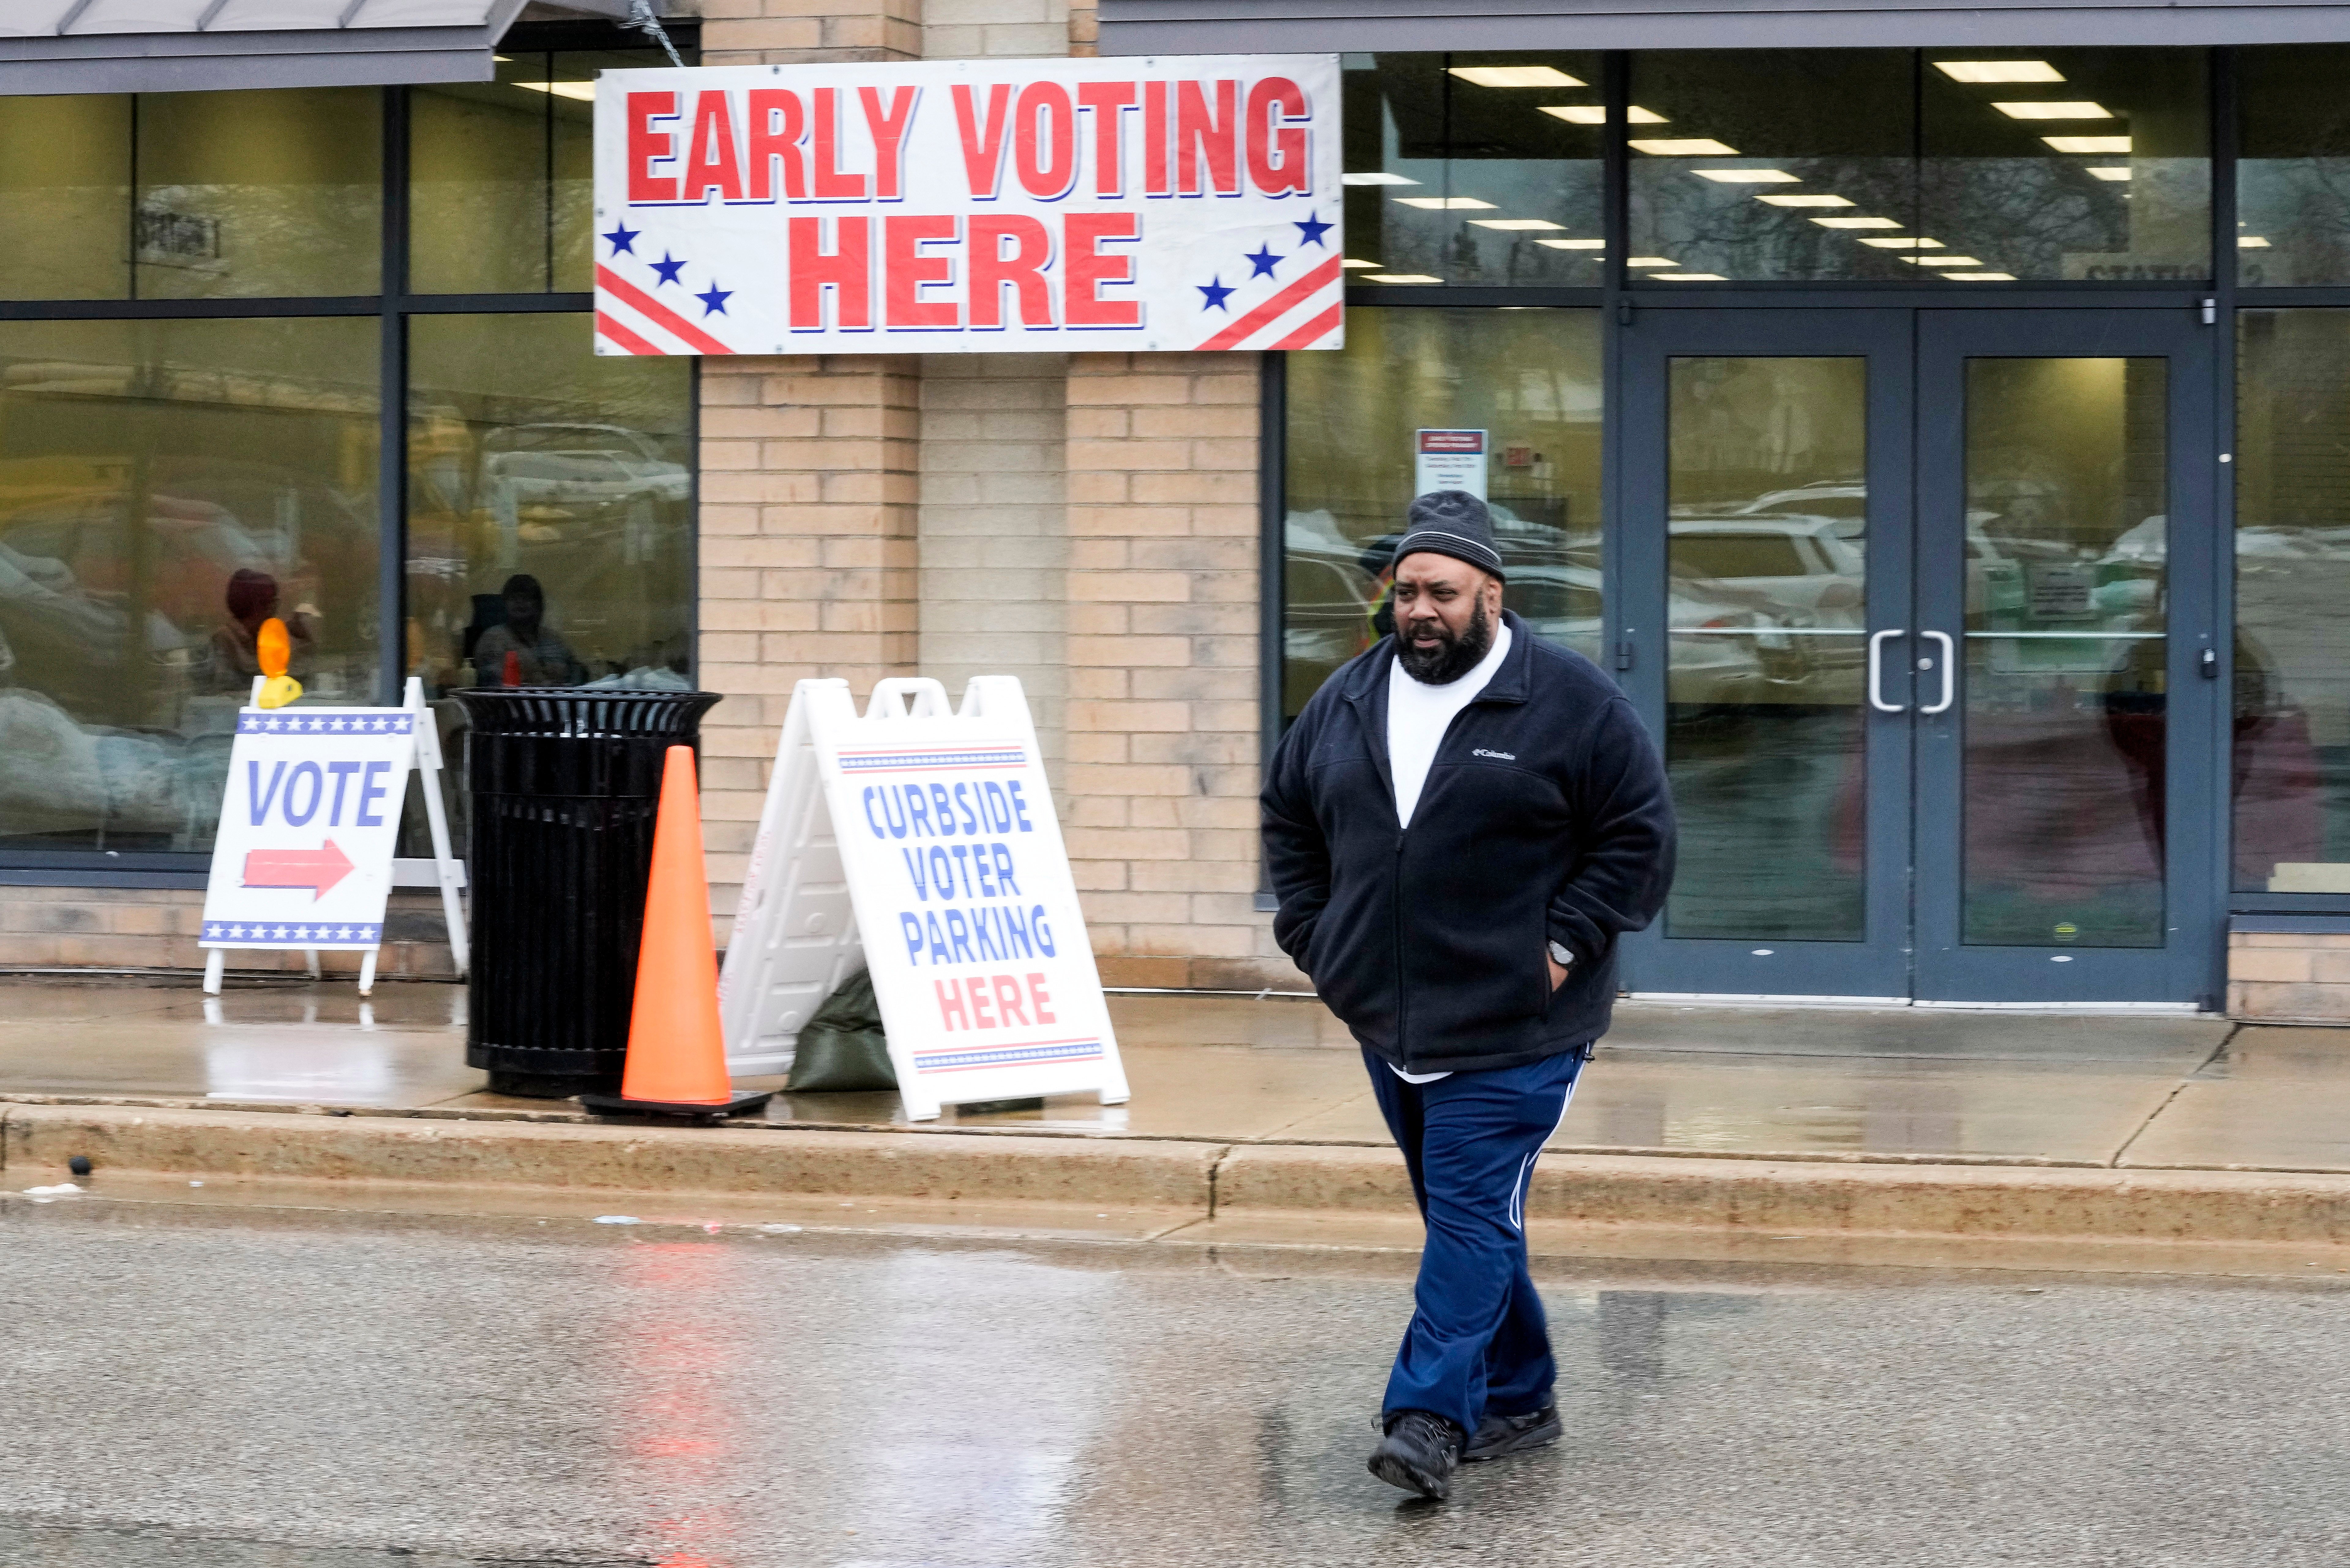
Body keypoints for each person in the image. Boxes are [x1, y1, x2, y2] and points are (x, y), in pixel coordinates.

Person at [1261, 490, 1675, 1502]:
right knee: (1469, 1217)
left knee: (1465, 1214)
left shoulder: (1570, 702)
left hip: (1515, 1025)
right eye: (1402, 591)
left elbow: (1638, 836)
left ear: (1491, 592)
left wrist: (1563, 944)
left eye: (1440, 591)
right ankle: (1523, 1391)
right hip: (1388, 1016)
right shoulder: (1350, 696)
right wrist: (1320, 942)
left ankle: (1427, 1417)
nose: (1417, 611)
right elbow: (1288, 817)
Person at [208, 568, 314, 692]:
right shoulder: (225, 640)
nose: (274, 611)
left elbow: (303, 676)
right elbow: (227, 690)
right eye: (272, 603)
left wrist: (300, 640)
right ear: (256, 606)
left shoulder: (271, 634)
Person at [470, 573, 584, 687]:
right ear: (505, 604)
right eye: (514, 598)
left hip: (559, 703)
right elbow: (493, 686)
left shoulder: (553, 640)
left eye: (526, 598)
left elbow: (579, 674)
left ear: (538, 605)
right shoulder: (494, 639)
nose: (520, 603)